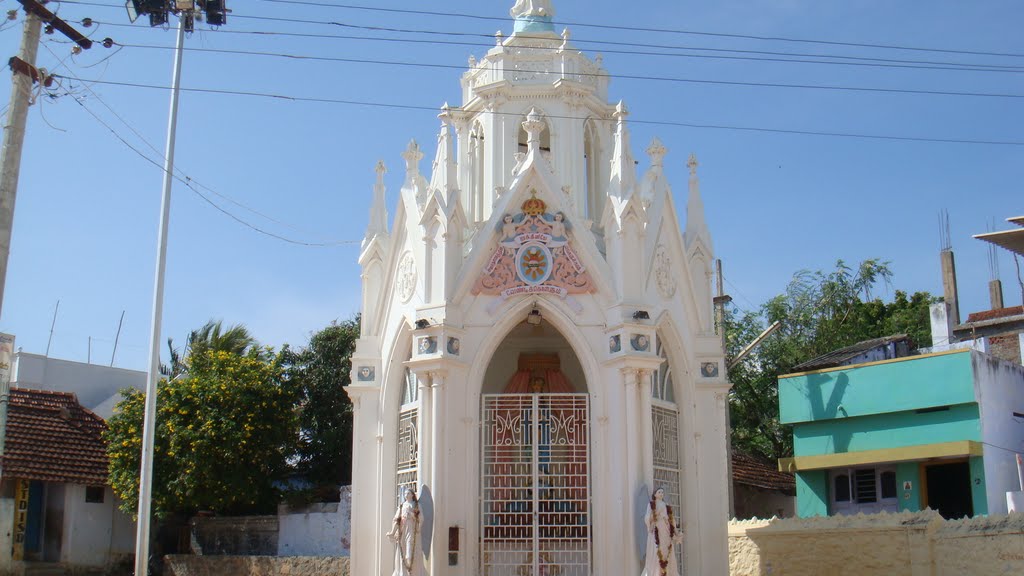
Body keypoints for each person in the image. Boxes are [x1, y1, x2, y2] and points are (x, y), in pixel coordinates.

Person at [642, 487, 682, 576]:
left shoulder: (666, 505)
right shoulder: (651, 504)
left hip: (666, 529)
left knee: (666, 550)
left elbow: (671, 520)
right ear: (655, 494)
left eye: (662, 492)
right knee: (656, 550)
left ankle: (667, 571)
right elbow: (647, 517)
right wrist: (655, 514)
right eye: (659, 492)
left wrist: (676, 531)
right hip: (657, 529)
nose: (661, 493)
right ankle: (656, 572)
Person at [386, 489, 424, 576]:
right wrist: (393, 531)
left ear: (412, 495)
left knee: (409, 547)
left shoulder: (416, 505)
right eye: (405, 493)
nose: (406, 495)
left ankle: (410, 569)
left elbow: (421, 518)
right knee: (402, 548)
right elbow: (396, 519)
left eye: (408, 493)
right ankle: (404, 571)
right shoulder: (402, 506)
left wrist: (411, 514)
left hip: (411, 529)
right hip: (403, 529)